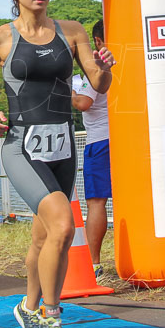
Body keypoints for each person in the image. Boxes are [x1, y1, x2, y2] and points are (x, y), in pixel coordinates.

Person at [0, 0, 114, 328]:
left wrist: (104, 69)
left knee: (45, 236)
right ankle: (52, 317)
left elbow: (99, 85)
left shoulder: (73, 32)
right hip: (21, 144)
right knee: (64, 227)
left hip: (63, 143)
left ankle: (28, 308)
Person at [71, 19, 111, 279]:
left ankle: (93, 262)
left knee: (96, 202)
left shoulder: (94, 68)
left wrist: (62, 91)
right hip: (129, 139)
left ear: (96, 42)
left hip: (101, 142)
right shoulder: (131, 63)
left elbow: (84, 102)